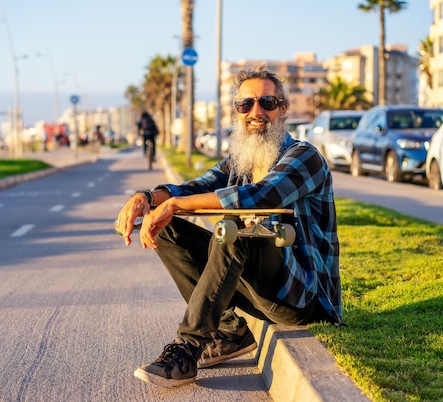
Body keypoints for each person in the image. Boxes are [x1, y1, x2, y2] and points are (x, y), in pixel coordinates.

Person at [115, 67, 342, 388]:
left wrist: (175, 205)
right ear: (237, 112)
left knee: (237, 225)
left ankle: (188, 349)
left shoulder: (305, 156)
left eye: (267, 102)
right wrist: (148, 198)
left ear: (283, 109)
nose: (256, 112)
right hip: (261, 290)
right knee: (166, 226)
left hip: (302, 296)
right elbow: (193, 188)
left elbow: (262, 196)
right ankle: (230, 329)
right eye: (246, 104)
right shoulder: (240, 161)